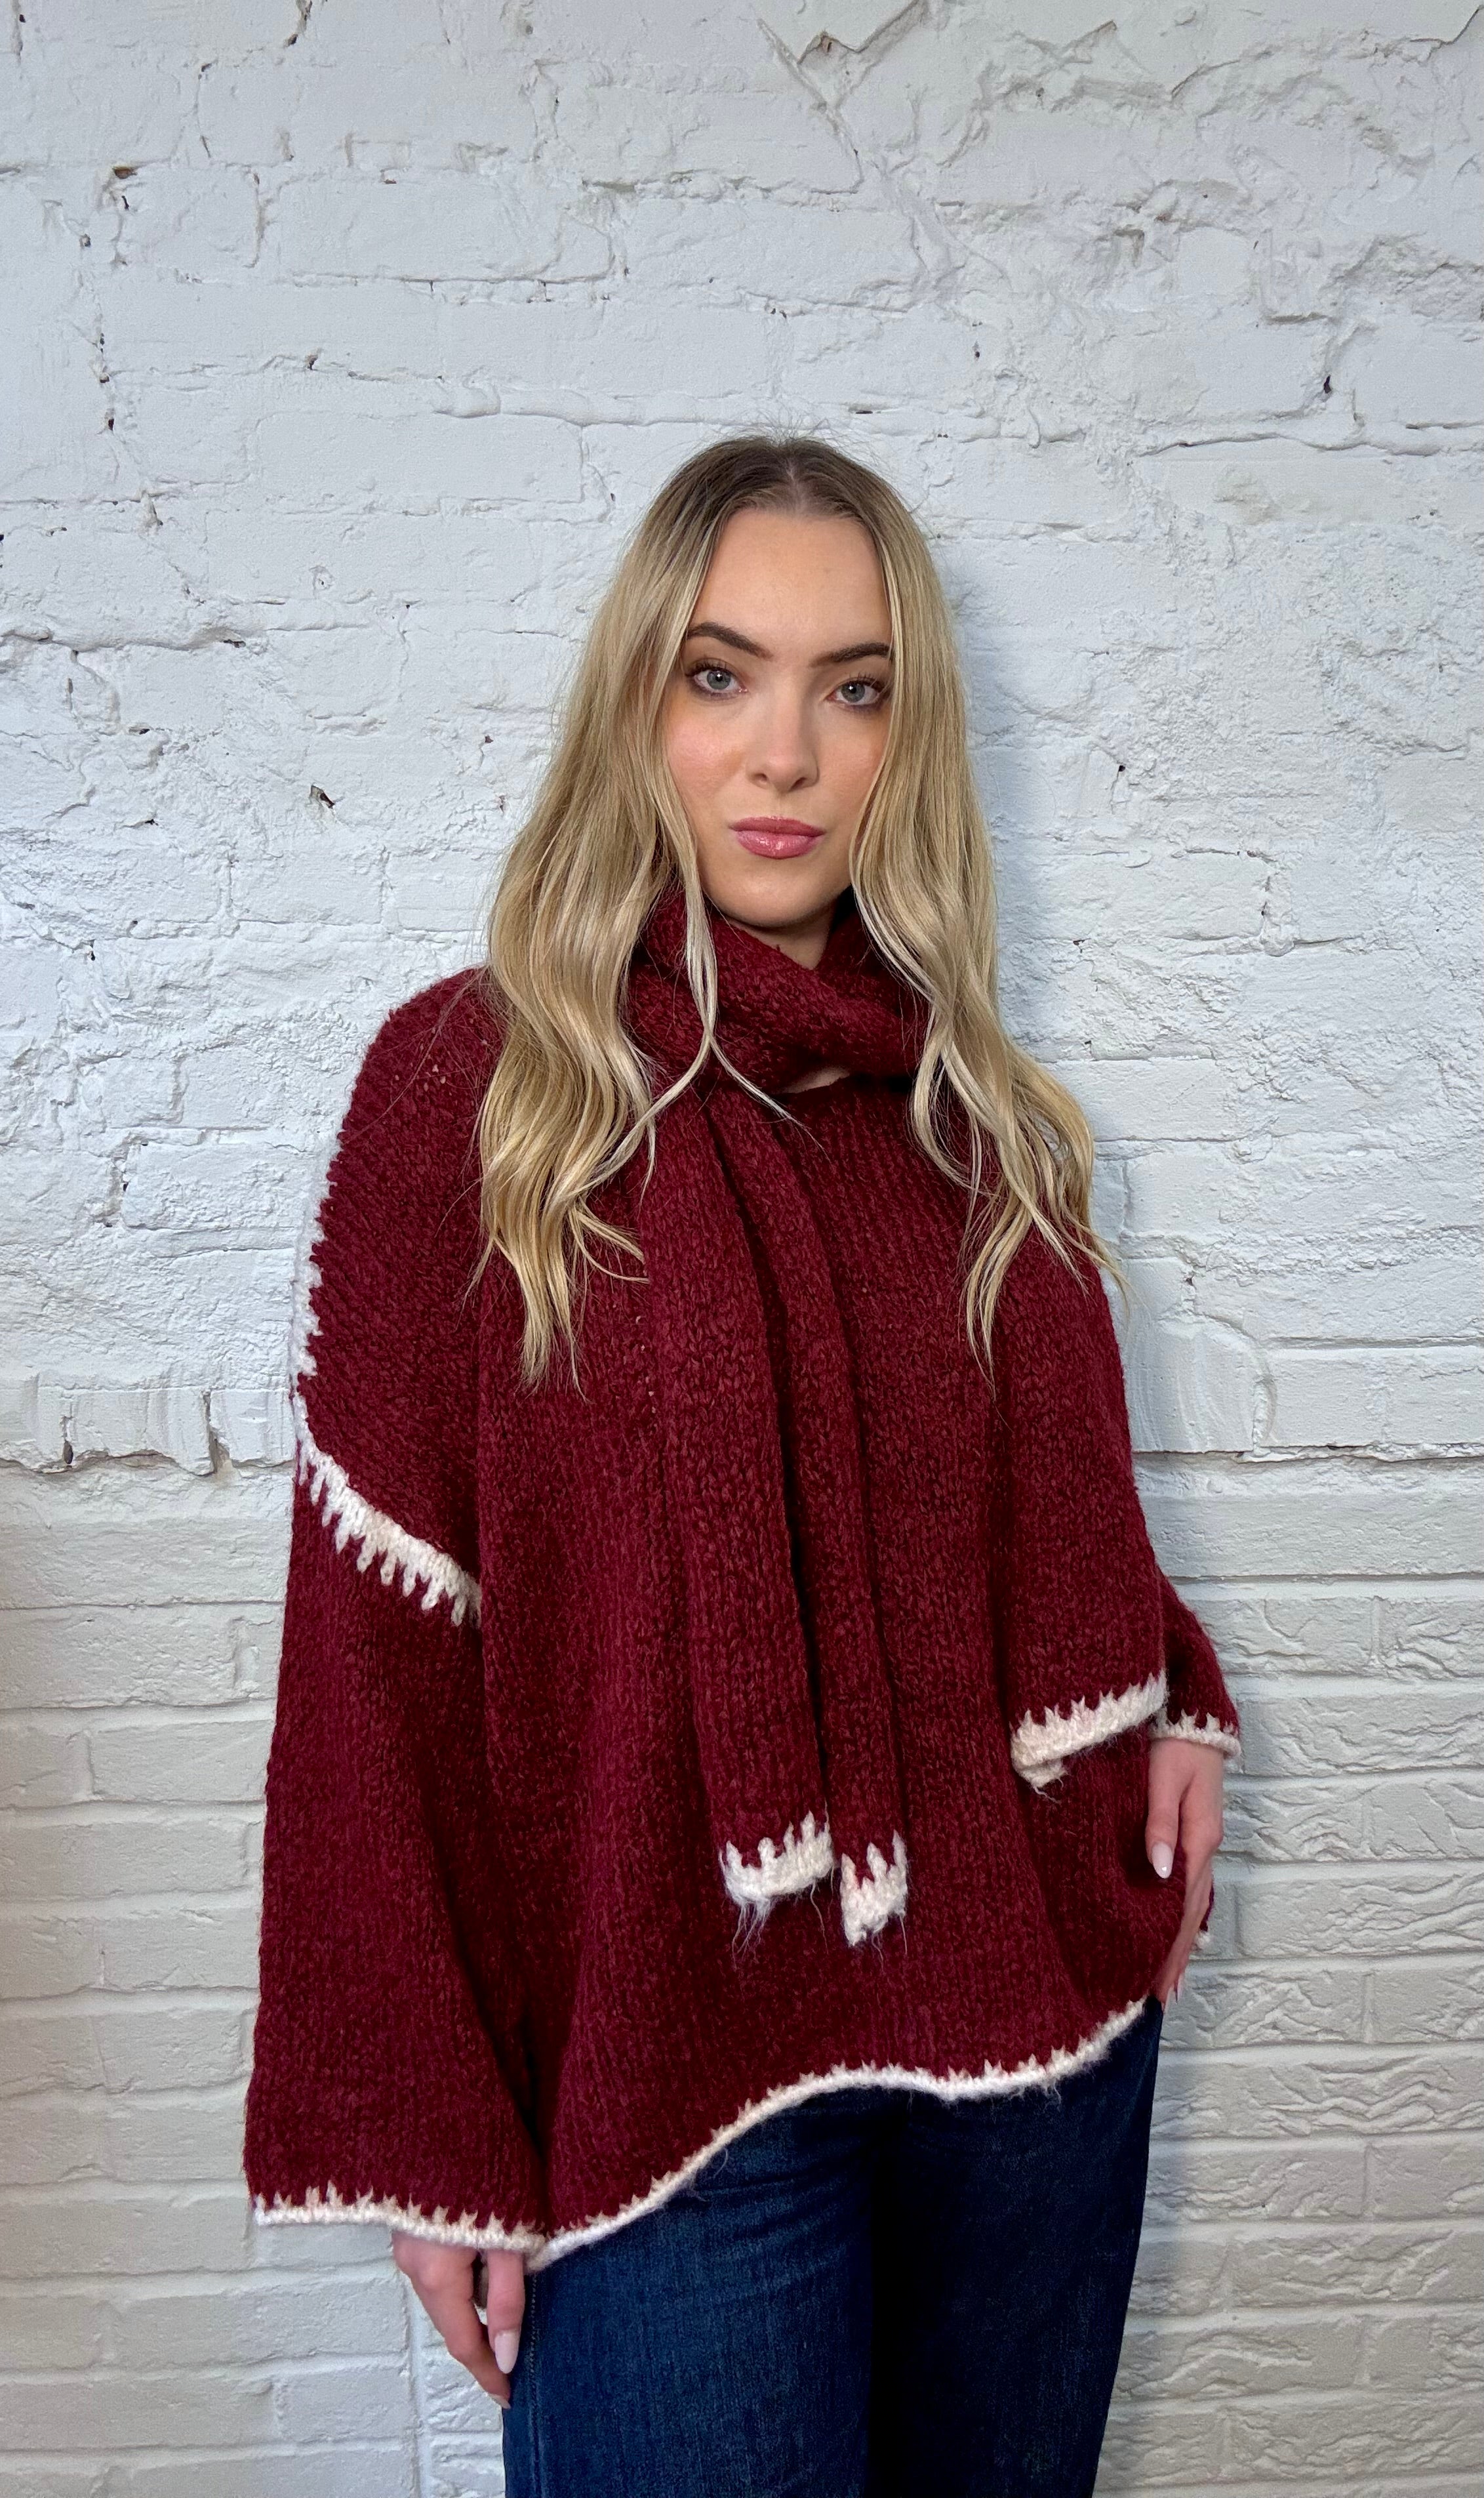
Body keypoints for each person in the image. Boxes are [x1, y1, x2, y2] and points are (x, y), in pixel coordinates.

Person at [243, 432, 1241, 2498]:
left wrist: (1172, 1691)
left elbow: (1012, 1505)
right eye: (722, 675)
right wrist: (427, 2122)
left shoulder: (976, 1107)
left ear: (908, 736)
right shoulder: (475, 1094)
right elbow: (377, 1641)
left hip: (1032, 2053)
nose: (787, 750)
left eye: (853, 688)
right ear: (639, 702)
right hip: (671, 2081)